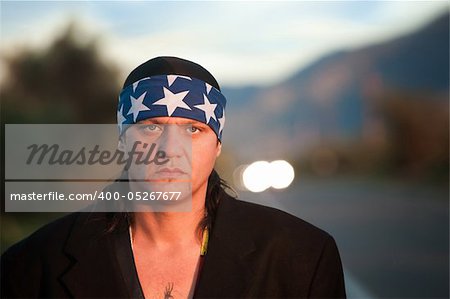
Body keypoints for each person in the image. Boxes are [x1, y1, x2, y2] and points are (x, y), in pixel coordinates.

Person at [1, 56, 346, 298]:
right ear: (122, 139)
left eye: (193, 129)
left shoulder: (303, 256)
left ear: (217, 146)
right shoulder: (32, 264)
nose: (170, 148)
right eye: (150, 127)